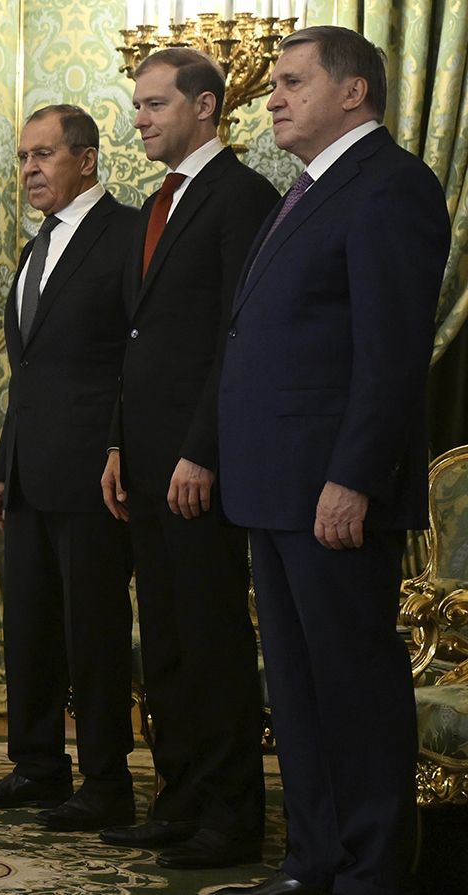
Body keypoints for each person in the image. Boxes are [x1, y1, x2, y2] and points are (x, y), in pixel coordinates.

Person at [213, 26, 447, 895]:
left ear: (353, 92)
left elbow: (390, 356)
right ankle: (313, 863)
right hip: (275, 488)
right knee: (303, 692)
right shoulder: (308, 189)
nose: (270, 97)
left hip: (331, 490)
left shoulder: (391, 187)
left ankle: (372, 871)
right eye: (272, 84)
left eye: (290, 82)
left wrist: (351, 476)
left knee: (351, 687)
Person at [97, 48, 278, 869]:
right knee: (163, 641)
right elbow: (134, 344)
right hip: (142, 461)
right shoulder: (154, 205)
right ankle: (177, 799)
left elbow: (234, 342)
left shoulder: (243, 196)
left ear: (206, 108)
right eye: (137, 105)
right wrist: (116, 445)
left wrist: (201, 451)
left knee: (211, 643)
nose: (139, 119)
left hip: (197, 467)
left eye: (154, 104)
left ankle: (231, 815)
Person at [0, 105, 136, 833]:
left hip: (96, 474)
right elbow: (27, 374)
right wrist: (3, 467)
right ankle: (36, 767)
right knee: (30, 627)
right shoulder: (37, 248)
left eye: (44, 155)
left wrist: (122, 449)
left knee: (92, 630)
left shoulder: (126, 237)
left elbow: (131, 365)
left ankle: (106, 780)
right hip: (28, 474)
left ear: (86, 159)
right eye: (23, 157)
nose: (29, 169)